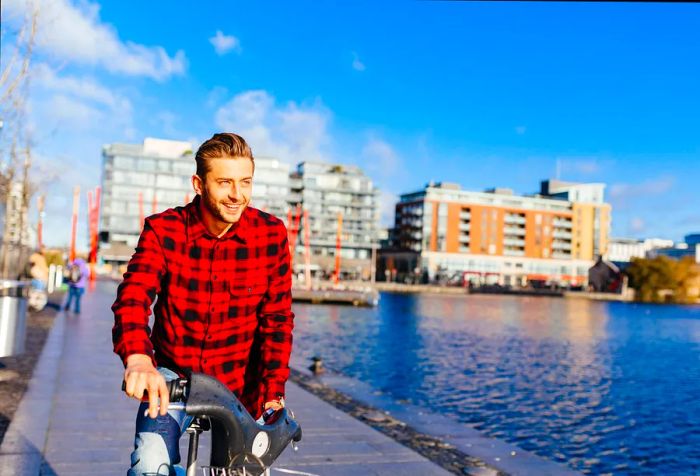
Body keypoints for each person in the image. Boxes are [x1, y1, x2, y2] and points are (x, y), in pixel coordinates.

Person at [112, 133, 294, 476]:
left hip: (243, 383)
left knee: (244, 471)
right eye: (224, 182)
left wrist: (273, 391)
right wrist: (138, 358)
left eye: (245, 182)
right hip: (174, 375)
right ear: (199, 183)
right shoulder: (163, 230)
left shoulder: (271, 234)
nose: (237, 195)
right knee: (150, 466)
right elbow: (133, 296)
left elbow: (277, 320)